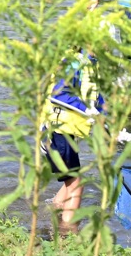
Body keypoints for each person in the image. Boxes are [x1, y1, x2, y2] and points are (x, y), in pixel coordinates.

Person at [42, 52, 103, 229]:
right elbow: (57, 95)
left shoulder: (92, 63)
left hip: (67, 132)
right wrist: (87, 108)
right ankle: (67, 233)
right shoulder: (73, 62)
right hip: (58, 131)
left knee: (70, 181)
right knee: (77, 184)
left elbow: (98, 98)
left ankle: (54, 210)